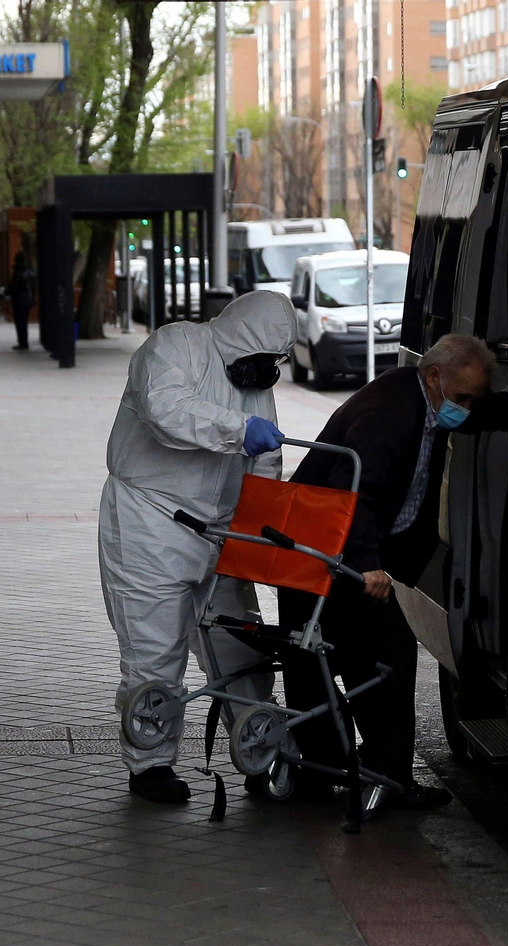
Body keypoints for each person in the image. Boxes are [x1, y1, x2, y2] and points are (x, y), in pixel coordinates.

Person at [278, 334, 494, 810]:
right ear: (435, 376)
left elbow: (481, 411)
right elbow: (354, 494)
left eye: (473, 400)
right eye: (462, 398)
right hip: (324, 553)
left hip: (332, 552)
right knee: (377, 655)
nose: (467, 410)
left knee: (335, 658)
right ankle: (375, 776)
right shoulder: (388, 415)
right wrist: (367, 566)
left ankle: (348, 770)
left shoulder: (423, 397)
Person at [98, 290, 296, 803]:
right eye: (267, 357)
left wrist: (261, 533)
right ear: (243, 338)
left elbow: (264, 464)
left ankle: (260, 751)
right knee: (154, 650)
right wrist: (238, 430)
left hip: (221, 532)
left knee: (238, 646)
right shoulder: (177, 345)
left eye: (278, 361)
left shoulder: (254, 383)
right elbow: (168, 410)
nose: (269, 370)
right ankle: (150, 766)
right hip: (151, 521)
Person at [8, 252, 34, 350]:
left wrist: (6, 292)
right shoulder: (27, 271)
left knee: (20, 323)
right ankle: (24, 342)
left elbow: (14, 286)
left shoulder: (18, 272)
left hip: (19, 300)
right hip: (26, 300)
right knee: (24, 322)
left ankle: (22, 342)